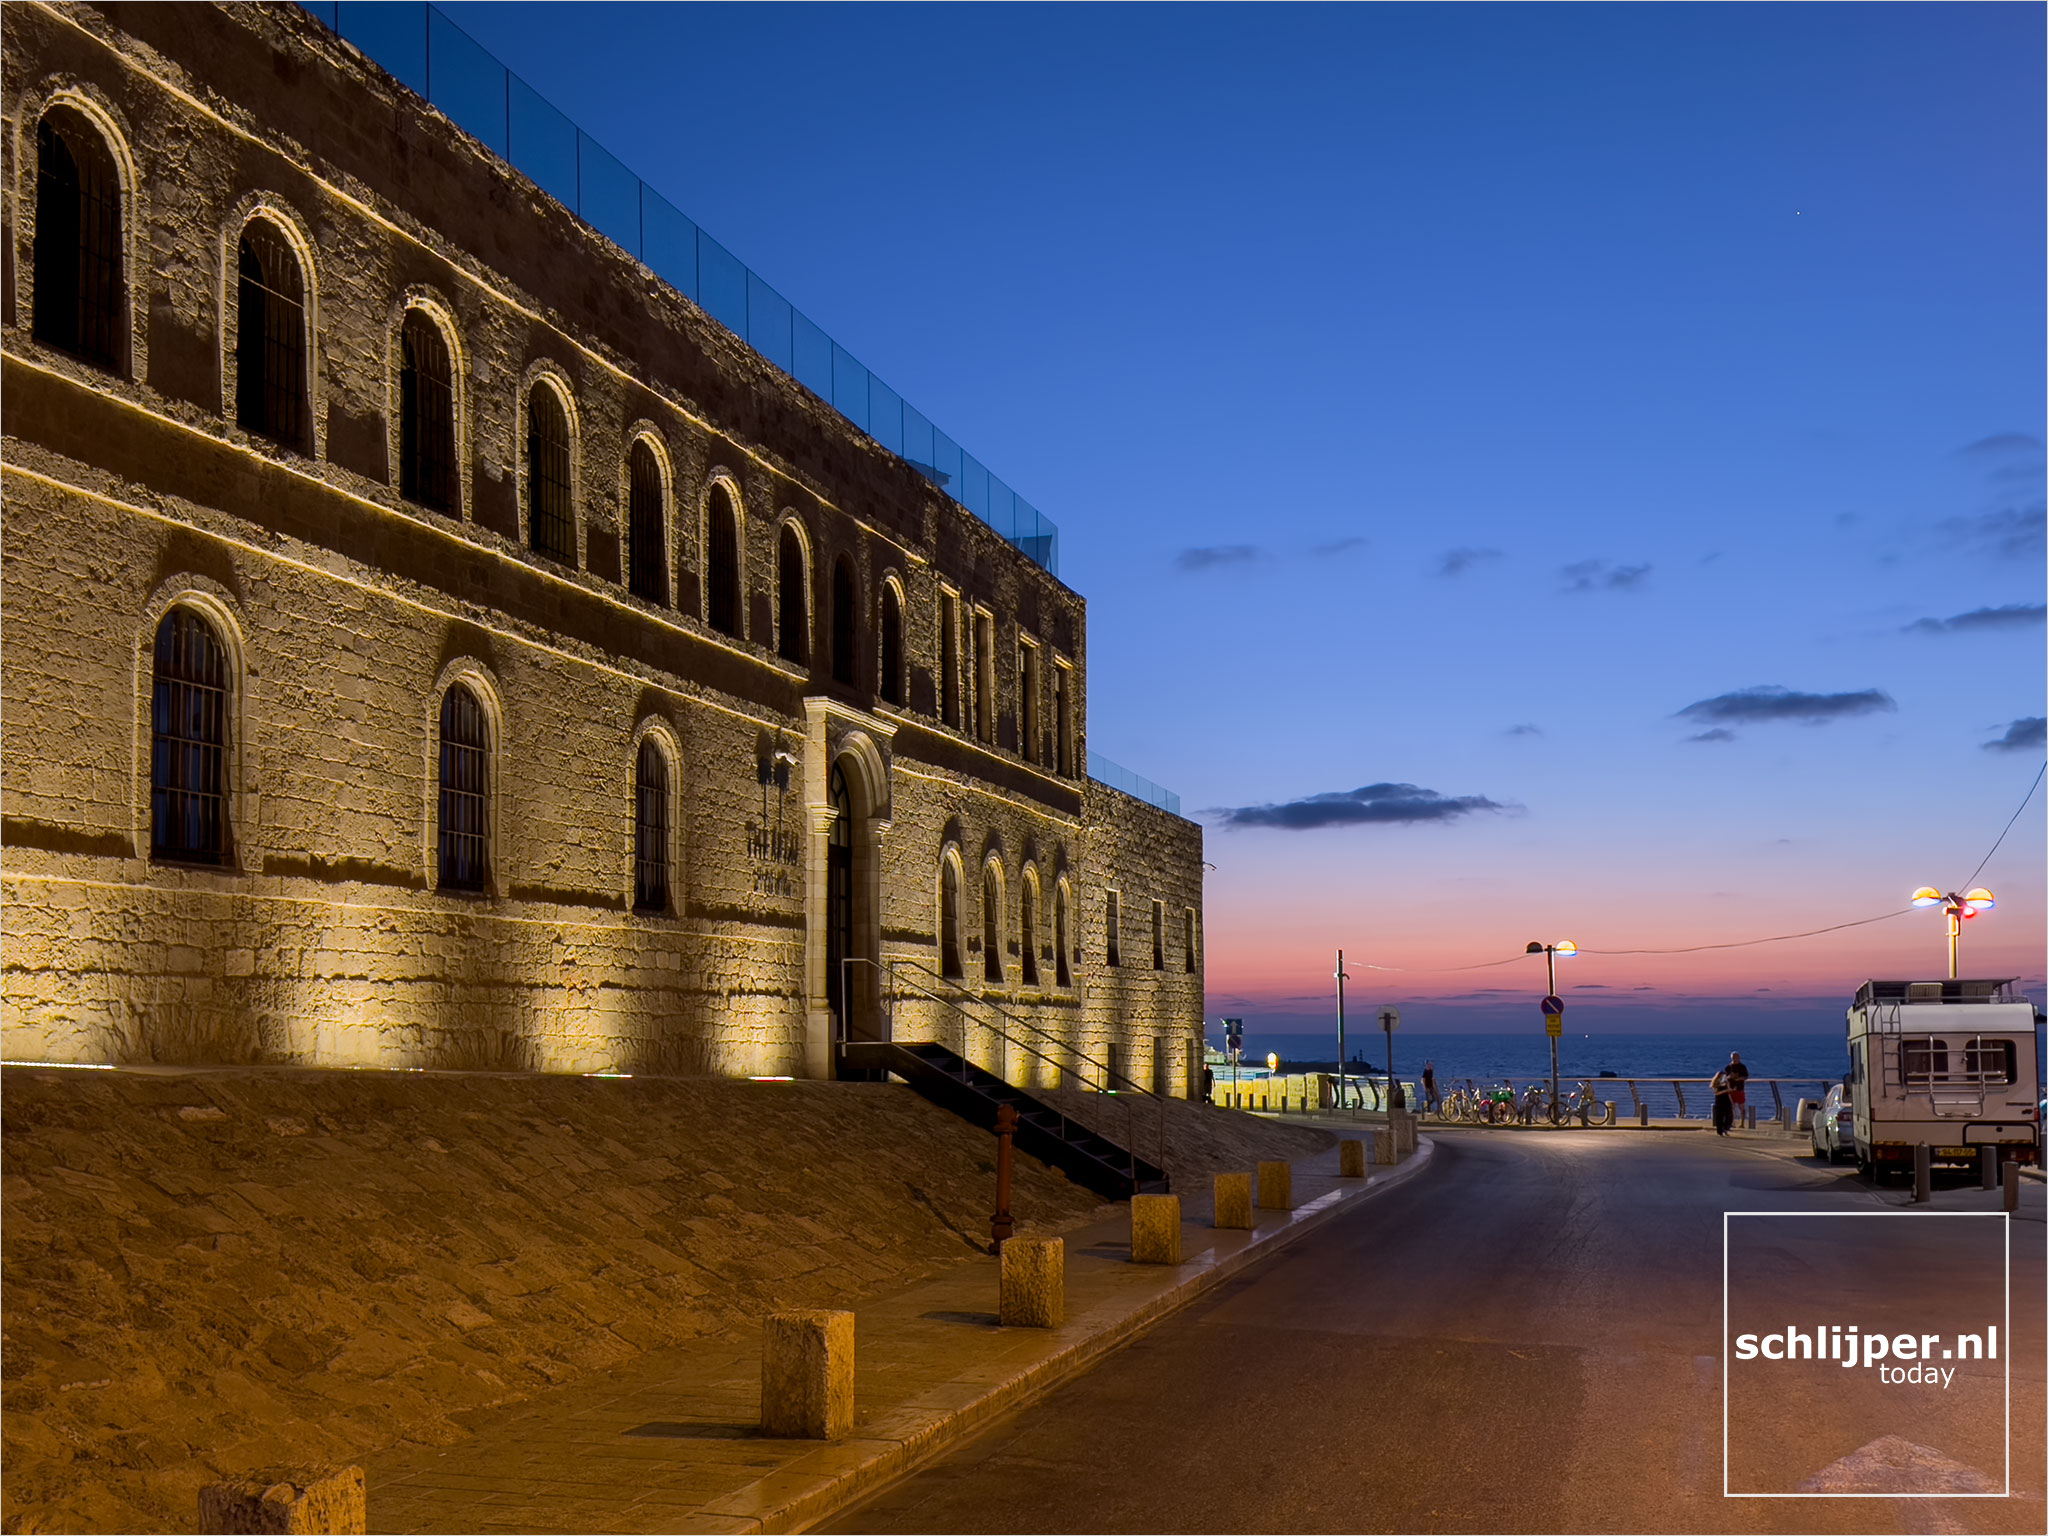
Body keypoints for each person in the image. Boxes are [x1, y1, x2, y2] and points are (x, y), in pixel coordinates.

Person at [1725, 1051, 1750, 1127]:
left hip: (1740, 1089)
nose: (1735, 1059)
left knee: (1741, 1106)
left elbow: (1746, 1076)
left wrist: (1739, 1078)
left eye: (1737, 1057)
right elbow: (1726, 1078)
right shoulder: (1728, 1067)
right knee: (1731, 1107)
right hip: (1731, 1090)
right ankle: (1732, 1123)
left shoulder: (1742, 1067)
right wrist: (1730, 1077)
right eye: (1734, 1057)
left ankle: (1742, 1123)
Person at [1711, 1065, 1733, 1136]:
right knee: (1719, 1116)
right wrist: (1726, 1091)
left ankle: (1726, 1128)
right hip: (1719, 1100)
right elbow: (1717, 1093)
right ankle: (1720, 1130)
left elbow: (1729, 1091)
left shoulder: (1726, 1082)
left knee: (1729, 1114)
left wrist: (1729, 1088)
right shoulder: (1716, 1083)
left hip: (1726, 1099)